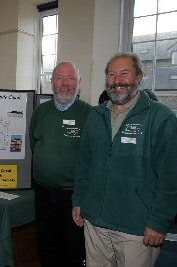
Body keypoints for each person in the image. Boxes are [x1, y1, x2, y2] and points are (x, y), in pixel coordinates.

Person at [72, 52, 177, 267]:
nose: (117, 80)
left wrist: (158, 222)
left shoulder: (160, 117)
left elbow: (170, 176)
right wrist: (79, 201)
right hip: (95, 224)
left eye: (124, 73)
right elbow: (84, 165)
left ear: (139, 76)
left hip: (137, 228)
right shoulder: (96, 115)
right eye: (112, 74)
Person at [29, 62, 92, 267]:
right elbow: (33, 143)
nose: (65, 84)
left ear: (79, 83)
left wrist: (81, 198)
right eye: (59, 78)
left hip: (73, 197)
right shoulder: (40, 112)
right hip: (43, 194)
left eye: (71, 78)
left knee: (73, 248)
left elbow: (95, 158)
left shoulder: (90, 115)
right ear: (51, 82)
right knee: (46, 245)